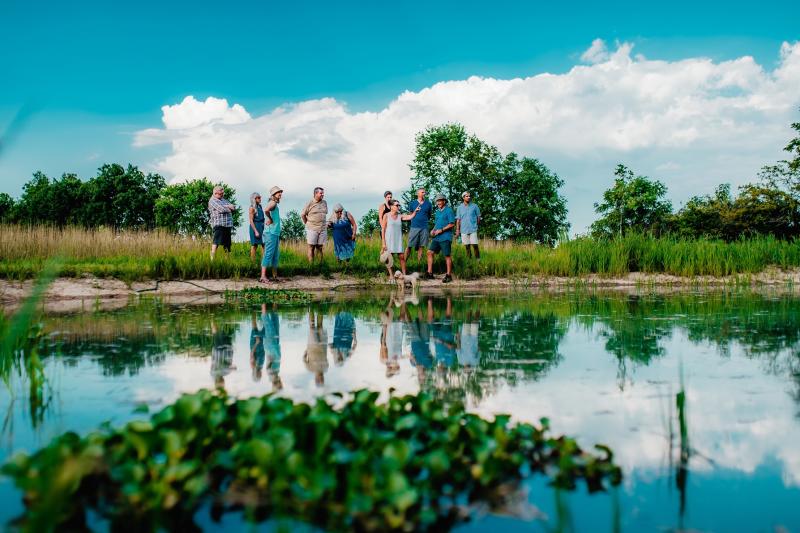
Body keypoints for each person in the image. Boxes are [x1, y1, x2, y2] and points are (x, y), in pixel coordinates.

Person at [381, 200, 420, 278]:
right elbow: (383, 229)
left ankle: (404, 275)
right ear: (391, 206)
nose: (398, 206)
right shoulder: (386, 215)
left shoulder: (400, 216)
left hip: (398, 240)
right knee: (389, 258)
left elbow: (410, 217)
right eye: (397, 205)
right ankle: (391, 276)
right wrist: (383, 243)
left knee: (402, 257)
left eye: (399, 205)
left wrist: (415, 211)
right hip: (389, 240)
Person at [425, 193, 455, 283]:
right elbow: (437, 223)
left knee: (447, 255)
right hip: (436, 237)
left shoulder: (449, 211)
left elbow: (452, 224)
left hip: (445, 237)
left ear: (444, 201)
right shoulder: (437, 212)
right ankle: (429, 273)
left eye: (440, 201)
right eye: (437, 201)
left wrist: (441, 230)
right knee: (429, 252)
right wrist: (433, 230)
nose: (438, 203)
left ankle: (448, 275)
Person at [260, 186, 283, 284]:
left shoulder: (275, 204)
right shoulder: (272, 202)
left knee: (275, 255)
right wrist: (270, 219)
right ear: (273, 194)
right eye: (278, 192)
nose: (280, 194)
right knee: (268, 254)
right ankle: (262, 277)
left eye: (280, 192)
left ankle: (274, 276)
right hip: (271, 232)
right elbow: (266, 210)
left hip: (275, 232)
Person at [208, 185, 237, 260]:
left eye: (222, 193)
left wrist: (229, 206)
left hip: (227, 225)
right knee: (216, 242)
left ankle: (227, 260)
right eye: (220, 194)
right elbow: (222, 209)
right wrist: (229, 207)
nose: (222, 195)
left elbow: (234, 207)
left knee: (227, 244)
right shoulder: (212, 201)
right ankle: (212, 259)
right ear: (215, 193)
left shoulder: (224, 200)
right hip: (218, 224)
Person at [300, 187, 328, 262]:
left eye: (323, 193)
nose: (323, 194)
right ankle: (311, 267)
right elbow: (303, 214)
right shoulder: (310, 203)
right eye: (321, 193)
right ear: (316, 193)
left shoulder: (324, 203)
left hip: (322, 229)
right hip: (312, 228)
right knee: (311, 247)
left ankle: (320, 266)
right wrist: (307, 223)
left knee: (320, 247)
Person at [405, 187, 433, 264]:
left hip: (424, 227)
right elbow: (410, 215)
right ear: (418, 193)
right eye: (422, 192)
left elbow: (429, 215)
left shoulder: (428, 204)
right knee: (409, 245)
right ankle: (403, 263)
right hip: (414, 227)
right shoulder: (412, 203)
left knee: (421, 246)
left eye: (424, 192)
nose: (424, 193)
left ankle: (419, 264)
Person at [303, 310, 329, 386]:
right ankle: (320, 307)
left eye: (319, 380)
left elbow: (304, 359)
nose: (321, 378)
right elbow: (326, 357)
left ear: (316, 379)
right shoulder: (326, 368)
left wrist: (307, 350)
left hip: (312, 346)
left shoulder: (310, 369)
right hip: (323, 344)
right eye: (322, 379)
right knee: (320, 325)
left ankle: (311, 308)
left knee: (312, 326)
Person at [210, 319, 235, 389]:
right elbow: (230, 367)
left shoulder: (214, 373)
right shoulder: (226, 373)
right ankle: (221, 318)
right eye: (222, 382)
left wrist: (229, 368)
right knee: (223, 331)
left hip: (218, 349)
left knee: (216, 333)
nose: (221, 381)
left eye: (220, 382)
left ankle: (212, 317)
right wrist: (230, 368)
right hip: (227, 348)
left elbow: (222, 368)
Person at [455, 191, 481, 260]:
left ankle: (478, 260)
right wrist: (457, 230)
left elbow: (478, 217)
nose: (468, 197)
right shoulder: (459, 208)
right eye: (467, 196)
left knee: (475, 245)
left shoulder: (475, 206)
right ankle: (469, 261)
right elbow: (458, 220)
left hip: (473, 229)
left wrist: (476, 225)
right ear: (463, 197)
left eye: (469, 196)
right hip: (463, 230)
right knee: (467, 246)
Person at [248, 192, 265, 261]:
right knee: (254, 245)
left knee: (264, 244)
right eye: (258, 198)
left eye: (260, 197)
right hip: (255, 227)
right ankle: (253, 262)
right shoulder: (252, 208)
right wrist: (255, 231)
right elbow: (251, 220)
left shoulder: (260, 206)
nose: (260, 199)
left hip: (261, 226)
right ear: (254, 199)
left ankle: (264, 262)